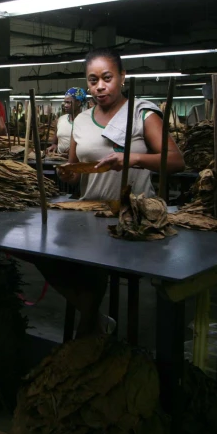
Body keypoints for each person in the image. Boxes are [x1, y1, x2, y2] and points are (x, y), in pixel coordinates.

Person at [47, 48, 185, 337]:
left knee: (97, 269)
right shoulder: (81, 121)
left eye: (107, 78)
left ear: (122, 77)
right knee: (42, 254)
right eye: (93, 79)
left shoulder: (141, 113)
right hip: (89, 213)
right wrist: (69, 173)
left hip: (130, 214)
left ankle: (91, 328)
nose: (100, 86)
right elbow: (74, 171)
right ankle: (93, 317)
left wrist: (131, 159)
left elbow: (175, 160)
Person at [47, 87, 86, 155]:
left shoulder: (86, 122)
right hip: (59, 159)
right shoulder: (61, 119)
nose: (65, 105)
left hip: (78, 162)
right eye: (65, 102)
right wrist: (54, 145)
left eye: (68, 103)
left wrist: (74, 149)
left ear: (79, 103)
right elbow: (55, 141)